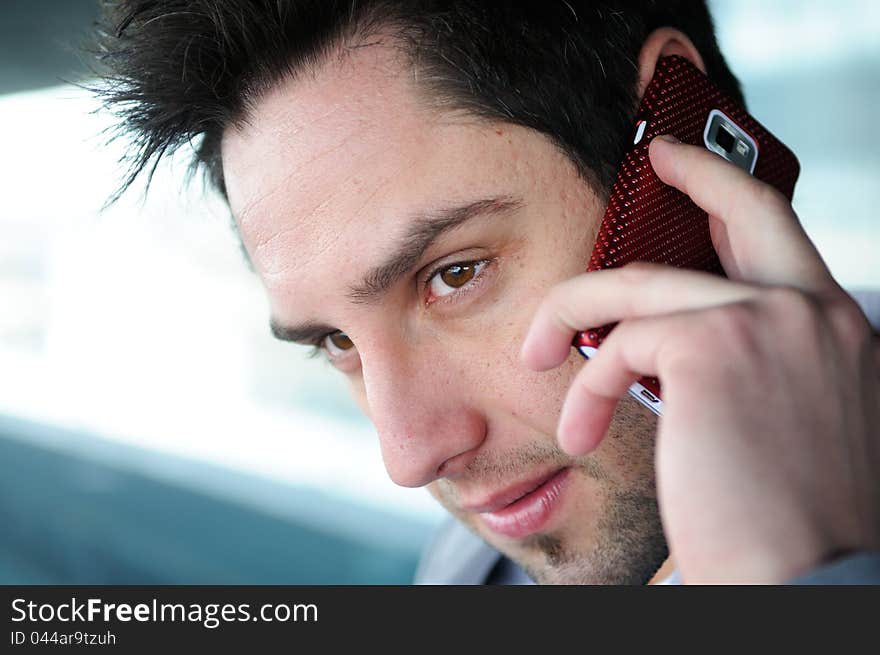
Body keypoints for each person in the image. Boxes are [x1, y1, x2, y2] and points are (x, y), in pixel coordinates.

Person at [92, 1, 880, 584]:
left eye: (453, 274)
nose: (410, 454)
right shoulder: (470, 568)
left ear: (670, 136)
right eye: (337, 341)